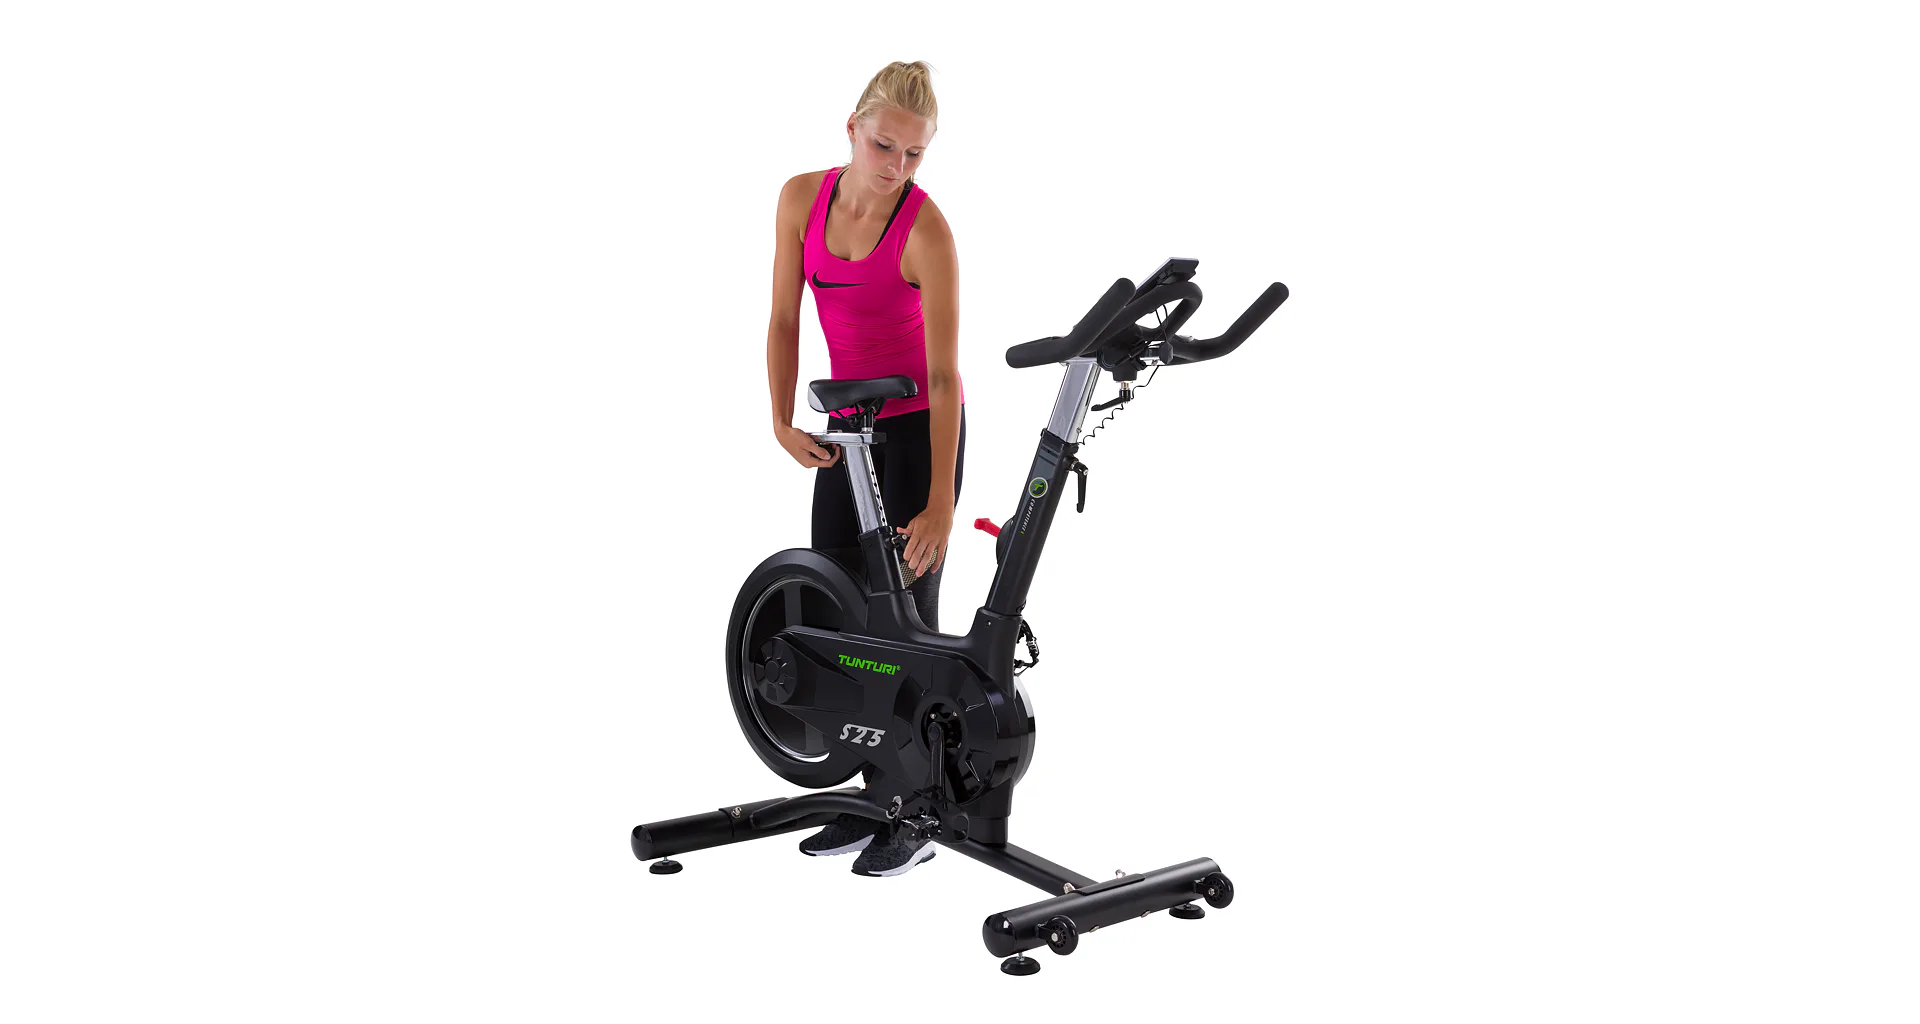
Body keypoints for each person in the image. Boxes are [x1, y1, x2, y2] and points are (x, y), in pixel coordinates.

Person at [764, 61, 964, 878]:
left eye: (915, 154)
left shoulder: (926, 231)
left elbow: (945, 378)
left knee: (909, 627)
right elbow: (783, 318)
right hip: (848, 430)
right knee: (840, 615)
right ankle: (872, 799)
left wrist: (942, 502)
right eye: (885, 146)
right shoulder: (798, 200)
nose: (896, 166)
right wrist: (781, 421)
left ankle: (923, 811)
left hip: (918, 433)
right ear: (852, 128)